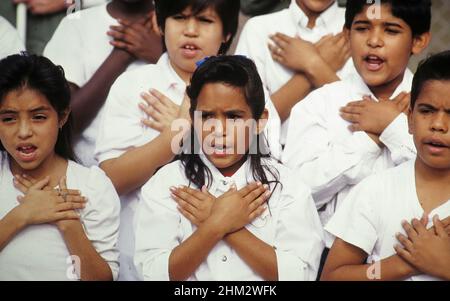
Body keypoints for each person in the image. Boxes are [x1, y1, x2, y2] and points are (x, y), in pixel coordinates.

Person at [134, 55, 324, 281]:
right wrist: (215, 225)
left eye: (234, 117)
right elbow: (153, 274)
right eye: (207, 116)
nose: (219, 130)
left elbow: (299, 274)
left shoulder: (286, 186)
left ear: (260, 120)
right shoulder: (167, 183)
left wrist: (219, 219)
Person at [94, 0, 244, 281]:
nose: (190, 30)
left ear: (226, 33)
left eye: (205, 21)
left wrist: (190, 136)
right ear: (160, 24)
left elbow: (264, 176)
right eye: (178, 17)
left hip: (228, 266)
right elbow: (110, 181)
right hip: (141, 262)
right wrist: (176, 134)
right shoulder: (134, 87)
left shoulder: (249, 88)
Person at [282, 0, 431, 228]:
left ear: (418, 41)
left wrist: (391, 125)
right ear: (347, 35)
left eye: (390, 30)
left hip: (413, 254)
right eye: (362, 28)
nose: (373, 41)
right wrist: (370, 139)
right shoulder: (319, 104)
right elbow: (294, 194)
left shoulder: (435, 106)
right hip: (328, 255)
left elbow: (440, 181)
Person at [321, 50, 450, 281]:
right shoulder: (376, 191)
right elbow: (334, 276)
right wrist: (403, 264)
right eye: (427, 111)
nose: (438, 125)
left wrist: (444, 266)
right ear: (410, 119)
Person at [0, 54, 120, 281]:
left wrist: (67, 221)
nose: (24, 132)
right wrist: (23, 214)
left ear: (62, 117)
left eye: (38, 117)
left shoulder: (92, 185)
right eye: (9, 119)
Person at [44, 0, 162, 166]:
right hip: (87, 174)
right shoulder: (76, 24)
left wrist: (161, 55)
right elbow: (60, 123)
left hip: (161, 175)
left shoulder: (177, 22)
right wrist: (121, 55)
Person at [235, 0, 356, 144]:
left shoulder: (363, 26)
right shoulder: (258, 29)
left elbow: (371, 119)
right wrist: (312, 67)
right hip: (272, 160)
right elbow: (244, 126)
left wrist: (313, 64)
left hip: (345, 158)